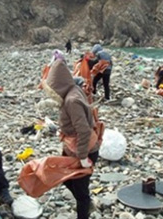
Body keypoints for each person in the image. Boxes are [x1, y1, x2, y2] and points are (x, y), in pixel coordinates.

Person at [42, 60, 101, 219]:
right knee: (65, 179)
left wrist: (82, 158)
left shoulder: (71, 100)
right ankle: (87, 203)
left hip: (84, 150)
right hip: (72, 146)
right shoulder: (72, 89)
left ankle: (85, 210)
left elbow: (83, 130)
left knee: (81, 193)